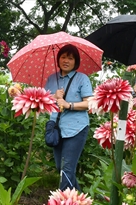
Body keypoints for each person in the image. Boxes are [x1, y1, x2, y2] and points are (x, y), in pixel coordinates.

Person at [44, 44, 93, 192]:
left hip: (77, 127)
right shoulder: (51, 79)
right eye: (63, 57)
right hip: (57, 127)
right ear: (58, 59)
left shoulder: (82, 79)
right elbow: (44, 101)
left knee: (67, 170)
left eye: (70, 58)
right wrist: (54, 96)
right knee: (61, 167)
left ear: (75, 61)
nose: (66, 60)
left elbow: (89, 103)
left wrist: (68, 104)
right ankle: (82, 203)